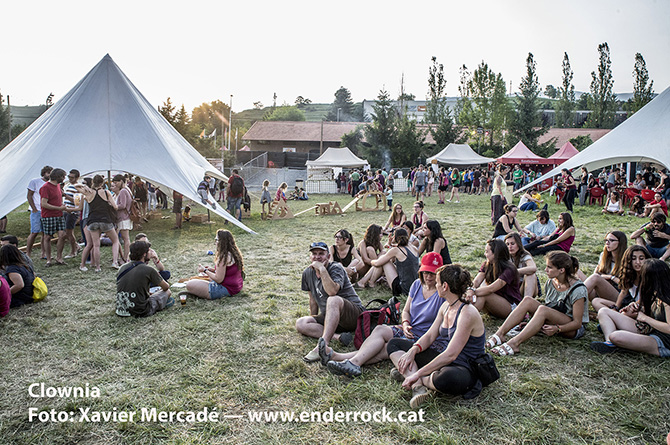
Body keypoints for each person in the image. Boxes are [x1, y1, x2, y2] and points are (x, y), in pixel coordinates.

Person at [324, 253, 444, 378]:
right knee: (380, 329)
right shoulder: (417, 284)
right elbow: (406, 311)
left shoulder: (442, 292)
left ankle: (343, 359)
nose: (428, 276)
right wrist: (405, 324)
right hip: (410, 330)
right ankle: (350, 361)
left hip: (426, 337)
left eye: (432, 273)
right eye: (426, 272)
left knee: (386, 347)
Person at [387, 263, 486, 407]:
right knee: (394, 344)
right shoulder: (446, 306)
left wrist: (417, 374)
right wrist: (413, 350)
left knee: (446, 378)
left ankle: (414, 377)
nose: (435, 285)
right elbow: (429, 336)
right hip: (442, 356)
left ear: (445, 286)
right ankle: (418, 383)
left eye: (438, 282)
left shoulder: (467, 313)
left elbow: (451, 355)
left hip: (463, 366)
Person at [487, 251, 588, 356]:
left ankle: (514, 343)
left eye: (549, 267)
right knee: (528, 300)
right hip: (556, 319)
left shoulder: (578, 290)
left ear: (561, 270)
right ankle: (500, 334)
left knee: (542, 310)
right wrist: (533, 323)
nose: (545, 270)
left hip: (573, 328)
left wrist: (557, 328)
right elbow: (551, 308)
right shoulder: (551, 282)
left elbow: (577, 323)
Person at [296, 241, 365, 363]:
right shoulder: (307, 273)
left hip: (353, 315)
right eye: (314, 254)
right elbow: (313, 300)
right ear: (310, 257)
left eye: (321, 254)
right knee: (301, 322)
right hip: (332, 317)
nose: (317, 257)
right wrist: (313, 320)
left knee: (333, 299)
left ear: (328, 256)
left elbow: (332, 291)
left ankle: (323, 345)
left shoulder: (335, 268)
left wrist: (322, 269)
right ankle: (337, 337)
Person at [591, 258, 670, 357]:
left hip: (662, 341)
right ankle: (610, 344)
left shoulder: (666, 299)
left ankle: (618, 341)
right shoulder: (653, 292)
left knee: (616, 336)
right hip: (648, 329)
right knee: (604, 311)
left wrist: (645, 318)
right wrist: (636, 309)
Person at [75, 175, 121, 272]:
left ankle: (98, 267)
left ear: (93, 182)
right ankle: (115, 262)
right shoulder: (106, 192)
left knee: (96, 245)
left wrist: (85, 186)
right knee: (115, 241)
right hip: (105, 220)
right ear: (102, 183)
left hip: (92, 220)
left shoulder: (88, 193)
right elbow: (115, 207)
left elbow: (76, 186)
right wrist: (109, 202)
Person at [115, 241, 173, 317]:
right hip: (140, 311)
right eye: (149, 251)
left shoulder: (122, 268)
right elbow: (166, 287)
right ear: (144, 254)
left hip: (121, 310)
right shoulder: (149, 270)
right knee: (167, 292)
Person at [184, 229, 244, 300]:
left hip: (226, 289)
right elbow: (227, 271)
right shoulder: (233, 253)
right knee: (201, 278)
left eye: (216, 240)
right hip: (236, 287)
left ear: (221, 242)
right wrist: (212, 270)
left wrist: (205, 270)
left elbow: (218, 279)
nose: (215, 242)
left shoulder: (223, 257)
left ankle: (201, 293)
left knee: (190, 284)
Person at [356, 228, 419, 295]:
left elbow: (377, 263)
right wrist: (390, 244)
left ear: (395, 237)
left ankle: (367, 282)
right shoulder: (414, 248)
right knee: (384, 260)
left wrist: (371, 261)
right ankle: (366, 282)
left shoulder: (396, 250)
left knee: (383, 260)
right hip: (413, 287)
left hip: (402, 289)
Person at [469, 239, 521, 319]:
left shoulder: (509, 269)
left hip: (511, 307)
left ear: (495, 254)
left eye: (487, 252)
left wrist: (472, 292)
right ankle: (462, 315)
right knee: (480, 293)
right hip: (495, 303)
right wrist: (469, 290)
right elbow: (476, 281)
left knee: (485, 294)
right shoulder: (487, 264)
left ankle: (466, 318)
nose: (484, 254)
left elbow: (491, 289)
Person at [592, 245, 650, 312]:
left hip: (642, 309)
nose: (638, 262)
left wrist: (630, 306)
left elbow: (647, 298)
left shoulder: (649, 276)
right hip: (630, 305)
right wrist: (616, 308)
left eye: (641, 259)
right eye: (634, 259)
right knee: (596, 301)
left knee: (604, 312)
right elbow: (623, 292)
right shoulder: (630, 274)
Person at [40, 168, 74, 266]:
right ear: (58, 177)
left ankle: (59, 258)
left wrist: (64, 207)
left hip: (59, 215)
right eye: (63, 176)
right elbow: (44, 204)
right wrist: (59, 208)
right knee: (47, 237)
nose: (64, 178)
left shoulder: (58, 186)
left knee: (62, 235)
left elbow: (59, 199)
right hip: (48, 216)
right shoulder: (45, 187)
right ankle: (49, 259)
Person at [583, 231, 627, 304]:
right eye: (606, 240)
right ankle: (571, 299)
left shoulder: (627, 260)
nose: (607, 243)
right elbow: (596, 273)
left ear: (620, 242)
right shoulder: (604, 255)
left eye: (611, 240)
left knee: (595, 277)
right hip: (599, 290)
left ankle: (571, 301)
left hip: (619, 295)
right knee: (576, 272)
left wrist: (611, 277)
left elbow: (626, 286)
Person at [26, 165, 52, 259]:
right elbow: (29, 195)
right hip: (37, 209)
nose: (49, 175)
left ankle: (43, 253)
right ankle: (28, 253)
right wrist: (34, 208)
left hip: (46, 211)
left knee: (45, 233)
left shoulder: (51, 184)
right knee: (34, 232)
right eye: (48, 173)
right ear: (44, 173)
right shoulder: (35, 181)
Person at [504, 233, 539, 299]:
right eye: (507, 244)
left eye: (512, 244)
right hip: (511, 288)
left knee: (531, 275)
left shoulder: (524, 255)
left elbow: (533, 268)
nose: (510, 247)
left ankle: (527, 301)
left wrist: (514, 272)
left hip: (524, 287)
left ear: (518, 244)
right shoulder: (505, 256)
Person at [111, 174, 133, 264]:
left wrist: (114, 206)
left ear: (121, 181)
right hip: (124, 216)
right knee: (124, 238)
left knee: (125, 238)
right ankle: (124, 256)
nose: (115, 184)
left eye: (116, 182)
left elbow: (123, 205)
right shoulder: (127, 189)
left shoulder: (123, 191)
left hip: (123, 217)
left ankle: (126, 257)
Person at [62, 169, 82, 259]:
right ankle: (76, 246)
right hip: (66, 210)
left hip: (72, 212)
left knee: (69, 232)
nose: (70, 179)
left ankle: (73, 251)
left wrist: (65, 195)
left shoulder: (78, 187)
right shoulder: (70, 185)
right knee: (66, 232)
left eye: (72, 177)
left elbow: (77, 202)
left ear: (77, 178)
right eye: (69, 177)